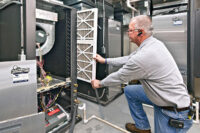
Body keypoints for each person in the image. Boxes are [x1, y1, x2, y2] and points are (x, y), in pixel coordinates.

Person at [91, 15, 193, 133]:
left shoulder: (144, 56)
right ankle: (142, 127)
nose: (127, 33)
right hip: (163, 95)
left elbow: (120, 76)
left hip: (173, 110)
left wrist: (100, 83)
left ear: (140, 32)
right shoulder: (153, 43)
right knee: (130, 91)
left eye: (130, 30)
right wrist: (105, 60)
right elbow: (129, 58)